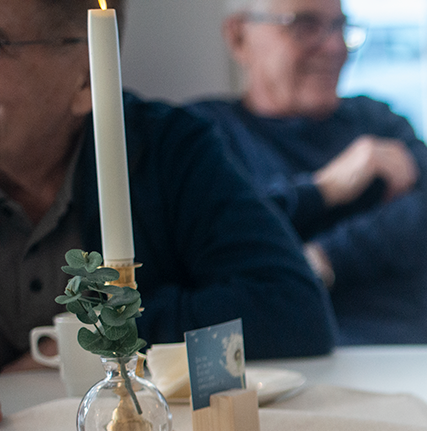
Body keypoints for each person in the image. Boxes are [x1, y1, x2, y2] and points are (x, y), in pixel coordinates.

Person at [0, 0, 335, 373]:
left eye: (1, 42)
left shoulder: (166, 151)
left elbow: (291, 310)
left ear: (87, 78)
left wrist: (104, 334)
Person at [193, 0, 427, 347]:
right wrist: (324, 189)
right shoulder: (207, 134)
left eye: (339, 26)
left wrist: (323, 258)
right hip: (310, 360)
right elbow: (217, 247)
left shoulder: (374, 118)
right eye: (304, 25)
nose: (334, 47)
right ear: (239, 37)